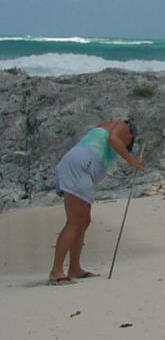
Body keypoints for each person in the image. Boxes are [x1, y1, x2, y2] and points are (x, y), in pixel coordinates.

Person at [48, 119, 144, 284]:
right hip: (79, 167)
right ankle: (56, 271)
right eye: (130, 139)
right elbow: (113, 139)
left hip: (80, 169)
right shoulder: (122, 125)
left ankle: (75, 268)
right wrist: (132, 160)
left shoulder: (112, 132)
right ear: (131, 132)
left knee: (84, 221)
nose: (129, 142)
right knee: (75, 222)